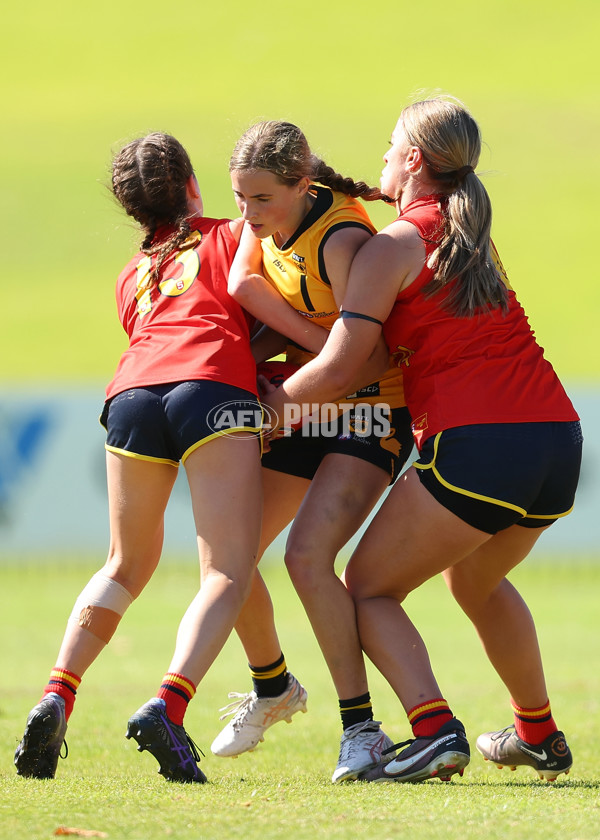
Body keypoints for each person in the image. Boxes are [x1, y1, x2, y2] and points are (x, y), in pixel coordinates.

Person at [260, 97, 582, 783]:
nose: (379, 160)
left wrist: (275, 406)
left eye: (388, 147)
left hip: (479, 445)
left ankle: (434, 730)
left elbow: (346, 364)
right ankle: (538, 734)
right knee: (477, 579)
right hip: (556, 441)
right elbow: (396, 195)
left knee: (368, 588)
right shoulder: (469, 229)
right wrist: (341, 179)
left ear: (413, 161)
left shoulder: (391, 246)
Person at [14, 132, 305, 783]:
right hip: (210, 390)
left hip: (131, 396)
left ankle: (58, 691)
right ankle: (168, 706)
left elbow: (160, 335)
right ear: (193, 187)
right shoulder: (234, 235)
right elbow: (270, 314)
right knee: (227, 568)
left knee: (124, 563)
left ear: (132, 210)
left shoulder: (132, 275)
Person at [209, 120, 414, 783]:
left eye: (261, 200)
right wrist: (305, 344)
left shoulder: (344, 239)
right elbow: (242, 285)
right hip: (306, 401)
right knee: (226, 558)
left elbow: (368, 359)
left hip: (367, 409)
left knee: (305, 556)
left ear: (302, 185)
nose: (247, 214)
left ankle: (363, 731)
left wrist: (288, 388)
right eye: (239, 199)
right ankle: (274, 688)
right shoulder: (266, 219)